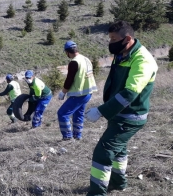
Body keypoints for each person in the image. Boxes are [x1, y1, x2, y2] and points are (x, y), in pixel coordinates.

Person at [85, 21, 158, 196]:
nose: (111, 43)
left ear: (128, 38)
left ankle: (96, 193)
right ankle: (118, 184)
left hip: (130, 116)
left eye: (114, 39)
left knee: (103, 152)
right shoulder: (122, 53)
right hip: (119, 114)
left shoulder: (142, 60)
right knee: (119, 149)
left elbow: (129, 93)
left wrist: (101, 111)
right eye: (109, 38)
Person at [57, 40, 98, 141]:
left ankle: (67, 137)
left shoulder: (74, 62)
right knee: (78, 114)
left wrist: (63, 92)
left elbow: (69, 79)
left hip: (78, 94)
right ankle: (77, 135)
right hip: (87, 93)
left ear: (67, 52)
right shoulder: (85, 59)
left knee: (62, 114)